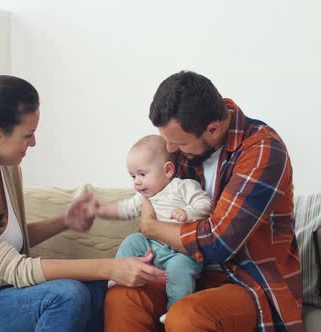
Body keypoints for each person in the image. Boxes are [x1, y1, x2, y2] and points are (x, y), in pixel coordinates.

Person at [0, 75, 168, 332]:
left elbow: (8, 242)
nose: (33, 143)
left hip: (6, 288)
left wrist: (64, 221)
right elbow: (15, 268)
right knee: (67, 294)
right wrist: (110, 267)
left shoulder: (6, 168)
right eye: (28, 135)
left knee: (97, 289)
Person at [104, 71, 302, 332]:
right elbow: (154, 198)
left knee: (187, 316)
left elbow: (218, 243)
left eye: (177, 142)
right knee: (123, 297)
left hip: (246, 280)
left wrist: (152, 228)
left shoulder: (262, 150)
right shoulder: (189, 146)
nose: (171, 150)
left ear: (213, 129)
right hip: (184, 268)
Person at [96, 134, 211, 322]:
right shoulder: (144, 197)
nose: (136, 182)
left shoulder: (182, 186)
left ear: (168, 170)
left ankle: (174, 308)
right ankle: (117, 277)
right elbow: (125, 208)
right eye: (132, 176)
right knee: (133, 240)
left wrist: (188, 212)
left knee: (179, 269)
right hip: (153, 246)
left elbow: (204, 203)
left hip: (181, 252)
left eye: (142, 174)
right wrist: (100, 211)